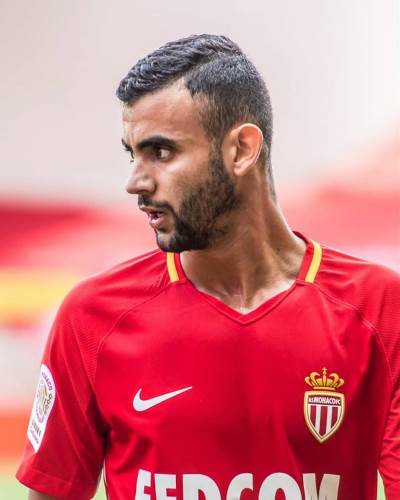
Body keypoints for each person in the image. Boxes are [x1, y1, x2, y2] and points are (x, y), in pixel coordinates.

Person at [17, 34, 399, 500]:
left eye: (161, 152)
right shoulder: (92, 316)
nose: (135, 182)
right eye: (133, 154)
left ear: (241, 149)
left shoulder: (381, 309)